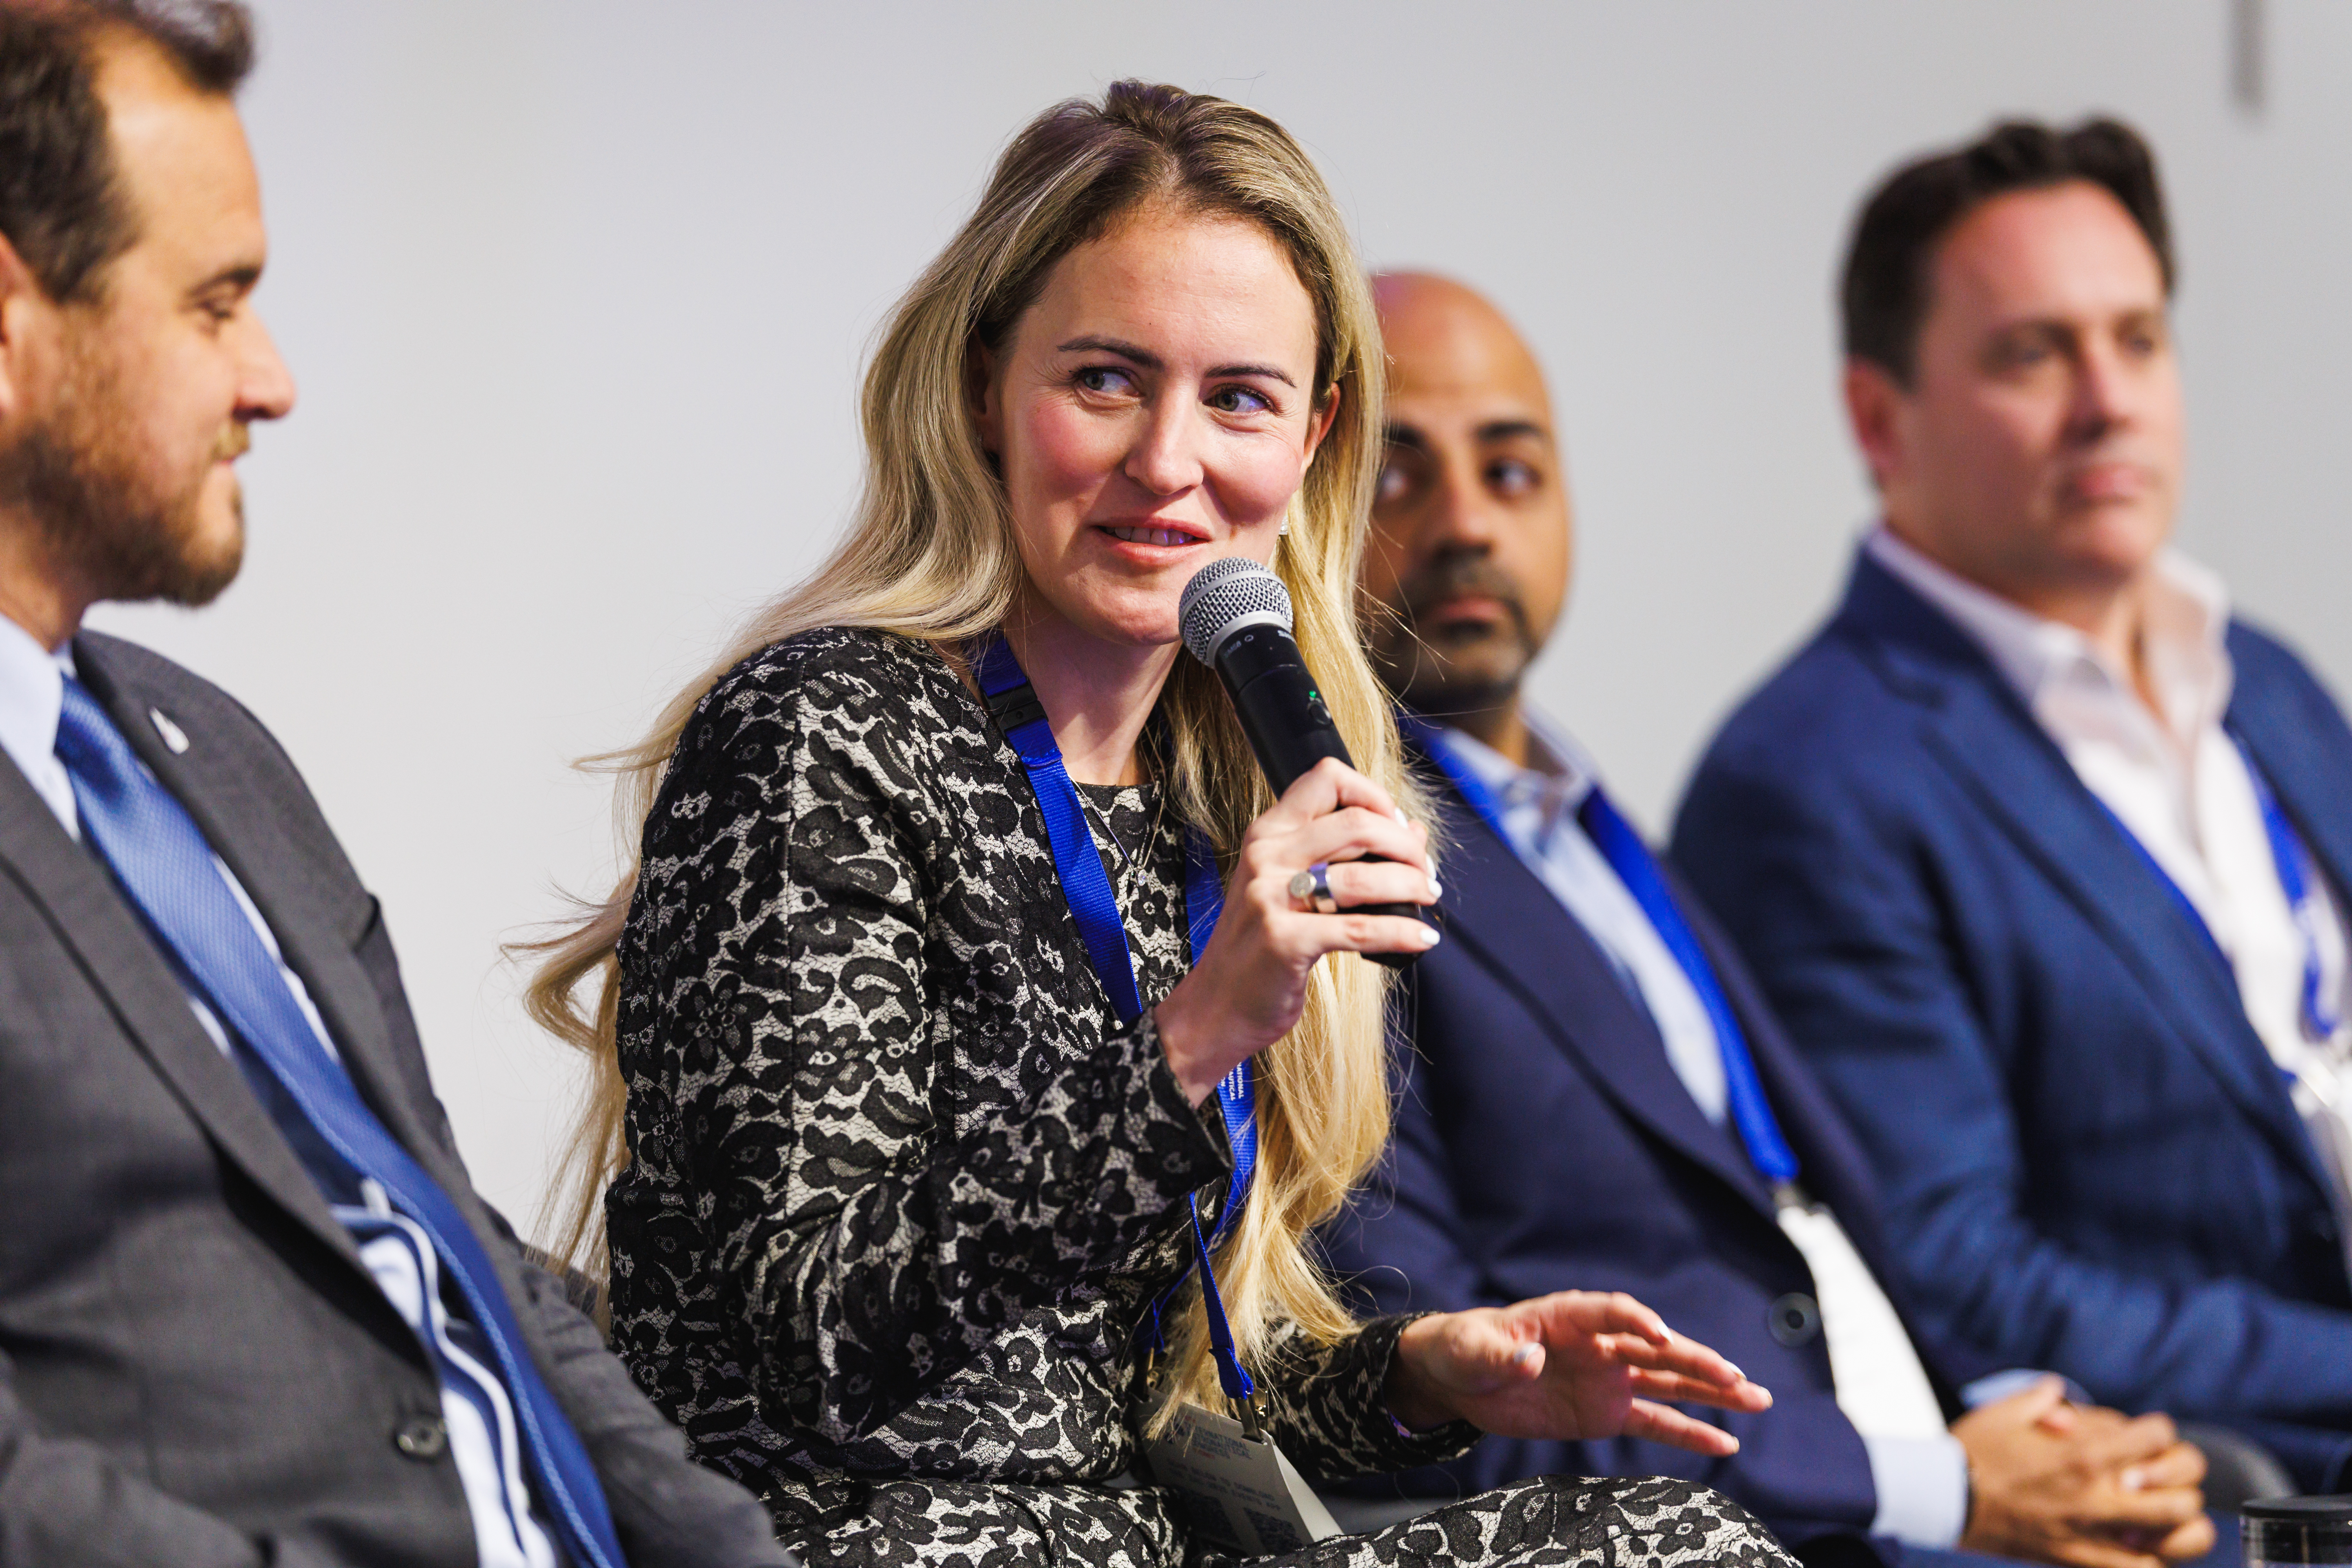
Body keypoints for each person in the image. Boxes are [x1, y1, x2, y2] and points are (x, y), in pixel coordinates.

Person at [528, 82, 1796, 1568]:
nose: (1170, 463)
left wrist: (1420, 1379)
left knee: (1677, 1537)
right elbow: (816, 1338)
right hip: (842, 1537)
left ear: (1316, 436)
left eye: (1239, 398)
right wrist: (1192, 1040)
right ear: (986, 383)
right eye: (1109, 382)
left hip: (1132, 1540)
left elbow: (1134, 1390)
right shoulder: (816, 732)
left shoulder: (1204, 791)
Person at [0, 4, 795, 1564]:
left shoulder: (205, 751)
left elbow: (451, 1239)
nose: (274, 380)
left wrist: (727, 1545)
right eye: (217, 303)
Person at [1319, 272, 2216, 1568]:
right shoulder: (1332, 875)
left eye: (1512, 472)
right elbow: (1424, 1400)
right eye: (1396, 477)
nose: (1465, 522)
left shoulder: (1601, 839)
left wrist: (2034, 1433)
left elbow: (1811, 1233)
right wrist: (1934, 1486)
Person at [1673, 118, 2352, 1494]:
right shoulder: (1811, 778)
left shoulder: (2265, 681)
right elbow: (1962, 1279)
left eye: (2139, 340)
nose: (2109, 400)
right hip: (2231, 1484)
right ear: (1879, 417)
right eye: (2034, 354)